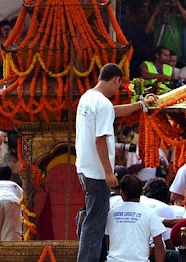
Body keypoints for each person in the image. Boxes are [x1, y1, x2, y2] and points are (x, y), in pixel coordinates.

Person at [75, 63, 153, 262]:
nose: (118, 89)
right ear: (116, 79)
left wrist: (138, 105)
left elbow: (112, 111)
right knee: (95, 223)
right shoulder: (101, 103)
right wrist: (109, 173)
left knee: (92, 219)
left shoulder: (88, 97)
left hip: (85, 168)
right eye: (119, 85)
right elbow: (100, 139)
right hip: (96, 172)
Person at [105, 174, 166, 262]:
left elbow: (108, 243)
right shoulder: (149, 213)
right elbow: (159, 246)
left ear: (122, 194)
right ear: (142, 192)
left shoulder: (111, 214)